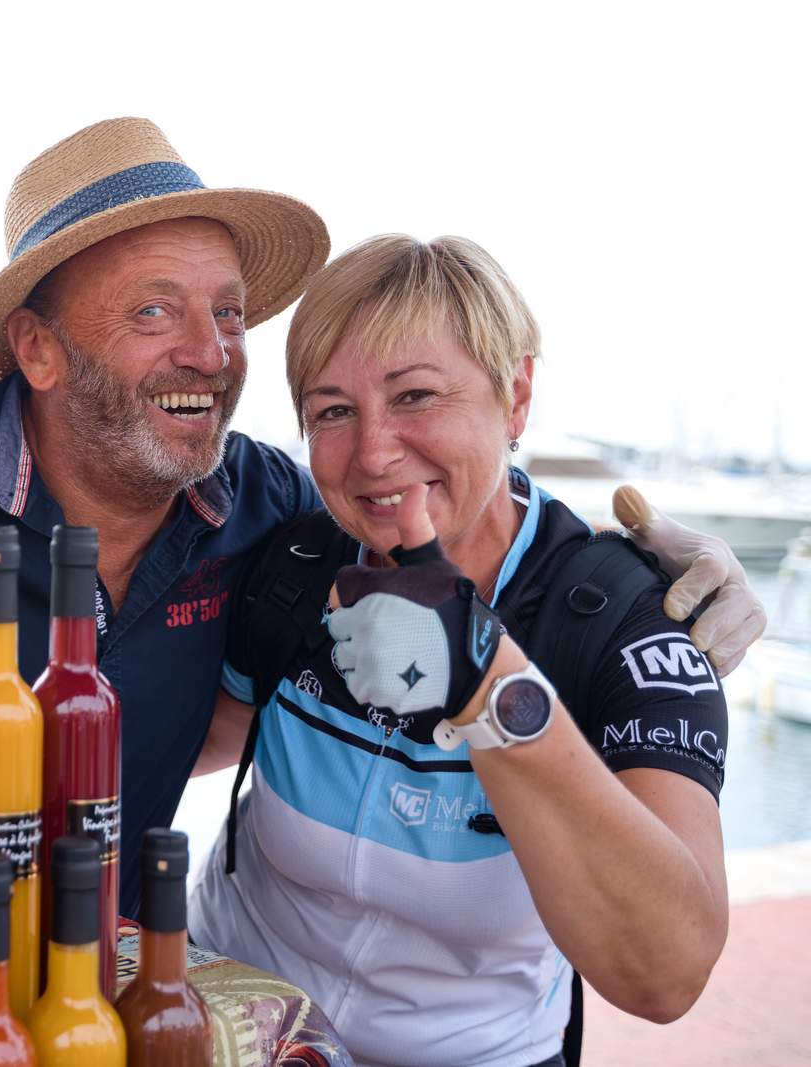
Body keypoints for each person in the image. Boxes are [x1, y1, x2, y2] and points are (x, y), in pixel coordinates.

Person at [0, 118, 761, 919]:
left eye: (227, 312)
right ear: (37, 349)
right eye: (155, 309)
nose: (211, 351)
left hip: (87, 1000)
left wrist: (661, 584)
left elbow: (441, 494)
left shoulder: (265, 505)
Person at [189, 235, 735, 1067]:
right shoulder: (296, 565)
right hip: (239, 1023)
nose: (375, 452)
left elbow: (667, 973)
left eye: (415, 395)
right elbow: (188, 740)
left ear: (515, 397)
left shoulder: (618, 623)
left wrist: (485, 677)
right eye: (333, 410)